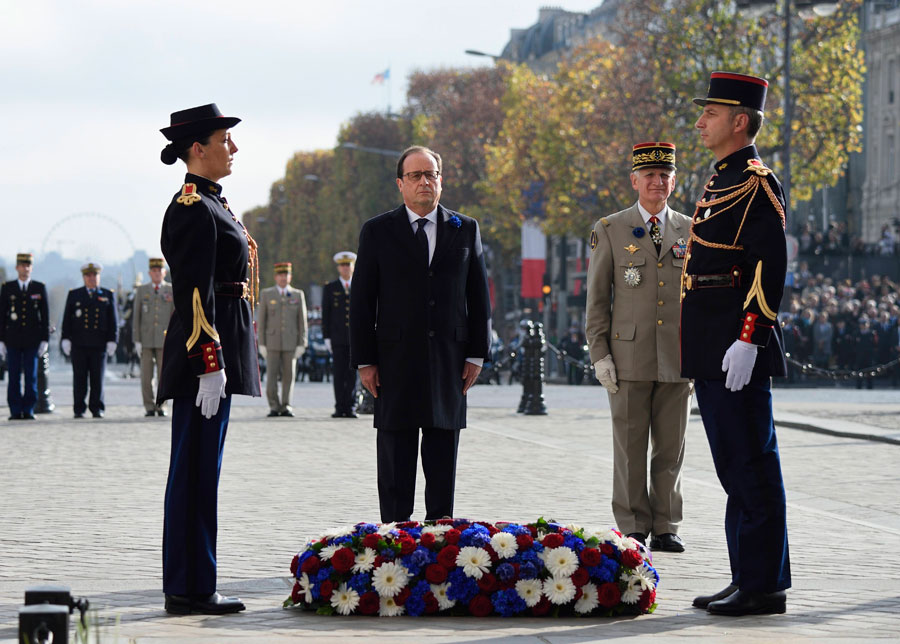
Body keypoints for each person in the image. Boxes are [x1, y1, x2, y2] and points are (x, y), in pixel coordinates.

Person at [683, 72, 790, 616]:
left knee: (752, 463)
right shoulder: (721, 178)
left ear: (740, 122)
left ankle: (765, 586)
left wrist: (750, 337)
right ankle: (745, 574)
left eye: (711, 114)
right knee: (732, 466)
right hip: (710, 342)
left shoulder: (756, 182)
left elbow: (767, 265)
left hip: (735, 345)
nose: (700, 122)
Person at [350, 145, 492, 522]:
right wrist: (365, 360)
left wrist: (477, 354)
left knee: (443, 456)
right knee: (395, 457)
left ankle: (439, 537)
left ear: (441, 181)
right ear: (400, 184)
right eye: (415, 175)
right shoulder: (377, 231)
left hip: (450, 361)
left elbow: (479, 296)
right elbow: (362, 300)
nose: (424, 181)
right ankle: (395, 539)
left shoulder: (466, 228)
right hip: (394, 361)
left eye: (431, 174)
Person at [156, 103, 260, 615]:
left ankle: (192, 583)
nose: (234, 148)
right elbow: (194, 291)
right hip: (205, 364)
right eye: (225, 140)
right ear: (198, 148)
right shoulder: (194, 207)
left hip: (210, 360)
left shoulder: (212, 204)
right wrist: (210, 364)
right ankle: (191, 588)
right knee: (196, 473)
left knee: (200, 471)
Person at [584, 142, 692, 553]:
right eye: (649, 176)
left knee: (671, 447)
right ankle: (633, 524)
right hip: (628, 357)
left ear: (673, 181)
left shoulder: (689, 228)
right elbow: (597, 300)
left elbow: (696, 299)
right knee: (630, 447)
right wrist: (599, 355)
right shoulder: (610, 228)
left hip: (677, 358)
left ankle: (666, 525)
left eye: (665, 175)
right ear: (634, 180)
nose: (657, 182)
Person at [60, 262, 118, 419]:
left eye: (95, 275)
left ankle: (97, 407)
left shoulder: (107, 294)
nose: (92, 278)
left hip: (99, 344)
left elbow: (113, 320)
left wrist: (113, 339)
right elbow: (67, 319)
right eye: (88, 275)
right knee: (79, 378)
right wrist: (65, 338)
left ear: (99, 276)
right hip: (79, 343)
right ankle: (79, 408)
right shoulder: (75, 294)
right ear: (84, 277)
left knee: (97, 379)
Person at [0, 253, 49, 420]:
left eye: (28, 266)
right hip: (12, 339)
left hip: (32, 340)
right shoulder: (8, 287)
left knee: (31, 376)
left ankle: (28, 409)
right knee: (13, 376)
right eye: (22, 265)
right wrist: (1, 340)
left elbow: (45, 316)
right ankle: (15, 409)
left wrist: (44, 340)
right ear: (17, 267)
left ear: (31, 268)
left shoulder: (39, 288)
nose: (25, 268)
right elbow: (2, 315)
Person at [257, 262, 308, 417]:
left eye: (286, 275)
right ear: (275, 277)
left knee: (288, 376)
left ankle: (286, 405)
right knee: (271, 376)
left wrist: (302, 342)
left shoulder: (298, 294)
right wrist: (261, 343)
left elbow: (302, 321)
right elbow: (262, 320)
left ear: (290, 277)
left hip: (291, 342)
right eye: (280, 275)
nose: (283, 278)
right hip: (271, 342)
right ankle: (274, 406)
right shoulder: (267, 294)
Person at [132, 258, 175, 416]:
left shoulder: (170, 290)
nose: (157, 274)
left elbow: (174, 315)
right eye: (154, 271)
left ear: (164, 272)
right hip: (146, 340)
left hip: (165, 340)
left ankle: (162, 405)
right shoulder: (142, 290)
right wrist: (136, 339)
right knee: (146, 376)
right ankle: (149, 406)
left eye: (160, 271)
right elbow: (136, 317)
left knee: (164, 376)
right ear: (150, 273)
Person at [322, 251, 358, 418]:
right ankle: (339, 406)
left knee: (353, 374)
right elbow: (326, 314)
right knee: (338, 374)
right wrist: (326, 336)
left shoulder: (359, 285)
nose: (345, 268)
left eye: (348, 265)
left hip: (355, 338)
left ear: (352, 267)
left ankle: (350, 406)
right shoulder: (330, 288)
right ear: (338, 268)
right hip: (337, 338)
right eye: (343, 265)